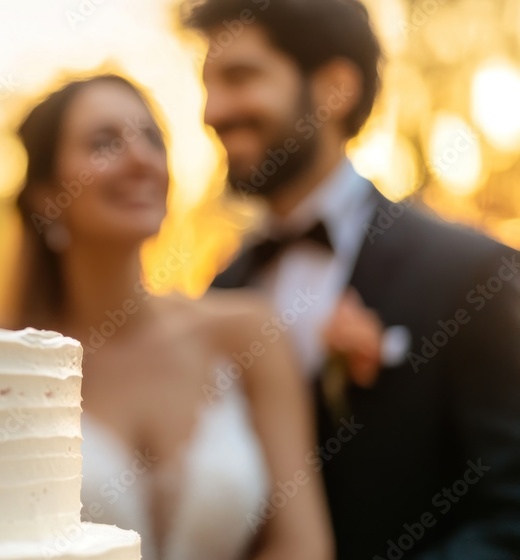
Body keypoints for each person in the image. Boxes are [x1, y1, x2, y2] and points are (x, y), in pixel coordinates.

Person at [185, 0, 520, 558]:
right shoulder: (219, 295)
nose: (212, 111)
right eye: (208, 85)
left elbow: (512, 513)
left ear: (334, 89)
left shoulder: (471, 275)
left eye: (240, 78)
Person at [10, 74, 333, 560]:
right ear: (44, 196)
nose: (140, 159)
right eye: (104, 143)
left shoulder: (247, 332)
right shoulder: (5, 363)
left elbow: (302, 543)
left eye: (152, 140)